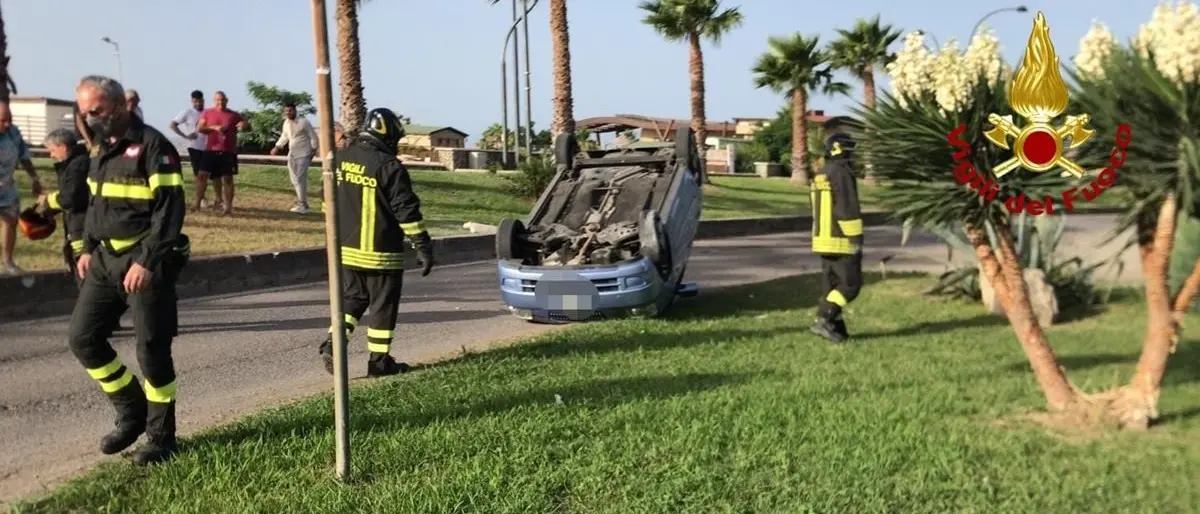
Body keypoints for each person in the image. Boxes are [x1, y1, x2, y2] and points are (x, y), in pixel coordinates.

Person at [69, 75, 189, 465]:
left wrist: (147, 260)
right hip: (104, 262)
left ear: (120, 106)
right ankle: (131, 410)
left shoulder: (155, 147)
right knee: (83, 338)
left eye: (97, 111)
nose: (89, 119)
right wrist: (87, 248)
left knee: (152, 351)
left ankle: (161, 438)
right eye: (85, 112)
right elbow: (95, 204)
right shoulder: (99, 149)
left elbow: (170, 210)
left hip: (144, 263)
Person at [318, 108, 435, 377]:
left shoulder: (340, 158)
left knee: (352, 299)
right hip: (380, 253)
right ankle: (379, 363)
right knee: (382, 305)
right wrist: (423, 246)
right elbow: (406, 211)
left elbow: (326, 202)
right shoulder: (388, 166)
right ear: (387, 135)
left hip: (345, 251)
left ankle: (333, 345)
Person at [808, 120, 864, 344]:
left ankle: (837, 330)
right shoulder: (841, 172)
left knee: (832, 285)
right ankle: (824, 318)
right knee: (850, 285)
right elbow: (846, 207)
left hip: (823, 239)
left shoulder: (822, 172)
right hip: (841, 239)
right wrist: (856, 238)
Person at [0, 102, 43, 275]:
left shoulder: (13, 133)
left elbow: (24, 157)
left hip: (6, 187)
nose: (7, 124)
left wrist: (34, 178)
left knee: (11, 221)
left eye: (9, 119)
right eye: (3, 120)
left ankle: (8, 261)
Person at [196, 91, 248, 215]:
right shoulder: (208, 112)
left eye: (223, 100)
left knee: (228, 178)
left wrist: (244, 124)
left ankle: (228, 207)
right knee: (202, 175)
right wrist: (214, 127)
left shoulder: (234, 114)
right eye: (218, 100)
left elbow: (246, 125)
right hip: (210, 150)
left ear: (227, 100)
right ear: (214, 100)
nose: (221, 102)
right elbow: (200, 128)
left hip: (228, 151)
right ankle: (197, 204)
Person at [269, 101, 317, 213]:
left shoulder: (304, 122)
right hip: (292, 153)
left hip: (304, 153)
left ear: (295, 111)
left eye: (290, 110)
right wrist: (277, 147)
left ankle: (303, 205)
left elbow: (313, 136)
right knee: (294, 179)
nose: (288, 113)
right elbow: (284, 136)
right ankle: (303, 203)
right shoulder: (286, 123)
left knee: (300, 178)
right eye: (286, 111)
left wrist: (313, 150)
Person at [169, 90, 210, 208]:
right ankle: (201, 198)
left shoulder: (207, 112)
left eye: (200, 101)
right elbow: (172, 125)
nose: (198, 103)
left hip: (208, 147)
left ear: (203, 100)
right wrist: (185, 136)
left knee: (206, 174)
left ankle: (203, 196)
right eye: (195, 101)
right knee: (198, 174)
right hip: (194, 147)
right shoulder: (187, 112)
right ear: (192, 101)